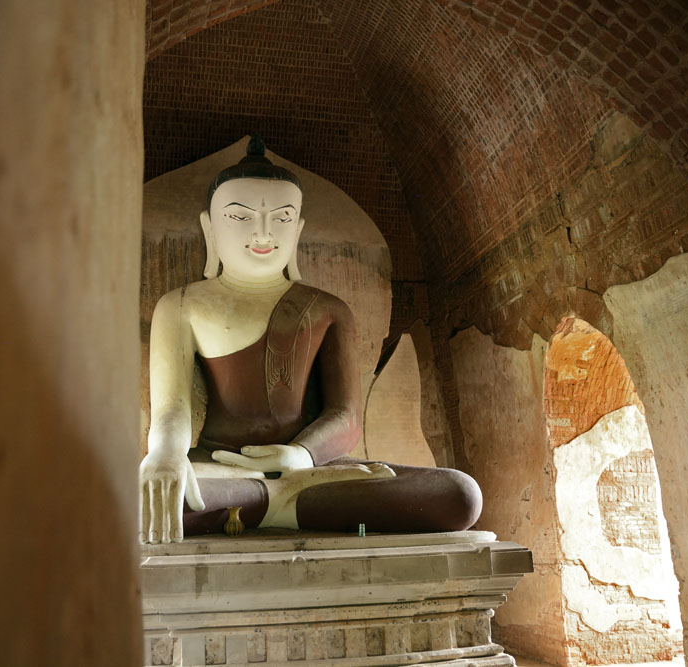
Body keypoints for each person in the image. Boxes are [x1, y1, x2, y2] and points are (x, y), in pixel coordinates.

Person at [140, 137, 481, 544]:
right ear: (209, 229)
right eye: (240, 217)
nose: (263, 232)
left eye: (282, 219)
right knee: (135, 497)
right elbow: (170, 410)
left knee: (459, 494)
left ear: (298, 230)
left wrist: (299, 455)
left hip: (310, 472)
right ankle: (281, 506)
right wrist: (164, 455)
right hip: (220, 467)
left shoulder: (328, 309)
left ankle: (265, 505)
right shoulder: (181, 305)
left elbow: (346, 415)